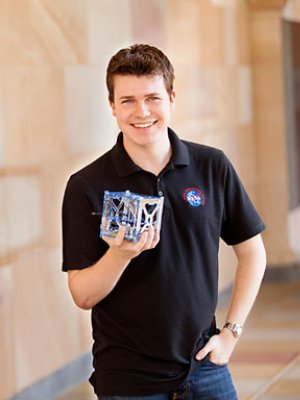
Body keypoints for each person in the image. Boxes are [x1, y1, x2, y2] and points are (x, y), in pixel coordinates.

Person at [62, 44, 267, 399]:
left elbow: (253, 252)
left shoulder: (211, 166)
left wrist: (231, 332)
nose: (141, 111)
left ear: (172, 98)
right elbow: (82, 294)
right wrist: (120, 255)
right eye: (127, 100)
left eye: (153, 97)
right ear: (112, 106)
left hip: (206, 367)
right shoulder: (87, 185)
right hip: (129, 380)